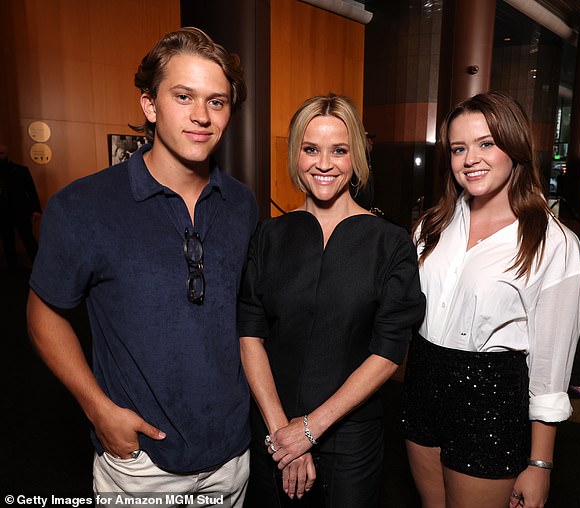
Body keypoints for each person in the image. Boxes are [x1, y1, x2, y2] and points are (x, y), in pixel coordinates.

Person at [26, 27, 257, 506]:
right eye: (183, 96)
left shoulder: (242, 205)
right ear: (150, 106)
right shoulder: (83, 206)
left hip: (232, 456)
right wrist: (98, 409)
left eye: (217, 102)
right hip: (142, 466)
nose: (202, 116)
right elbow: (43, 313)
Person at [401, 91, 580, 508]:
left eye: (486, 143)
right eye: (458, 148)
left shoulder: (552, 243)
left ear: (515, 146)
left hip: (489, 395)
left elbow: (550, 367)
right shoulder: (433, 225)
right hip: (423, 383)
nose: (471, 159)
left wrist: (540, 463)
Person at [238, 93, 426, 508]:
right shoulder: (268, 236)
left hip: (350, 437)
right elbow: (250, 335)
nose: (324, 163)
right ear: (295, 155)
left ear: (355, 157)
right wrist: (283, 434)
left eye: (338, 150)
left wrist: (310, 428)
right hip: (273, 429)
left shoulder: (390, 243)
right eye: (310, 149)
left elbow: (388, 351)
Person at [0, 143, 41, 269]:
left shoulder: (21, 170)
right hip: (3, 211)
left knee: (28, 238)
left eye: (1, 153)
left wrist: (36, 209)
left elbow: (31, 190)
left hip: (20, 210)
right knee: (8, 241)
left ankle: (39, 265)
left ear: (7, 154)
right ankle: (13, 266)